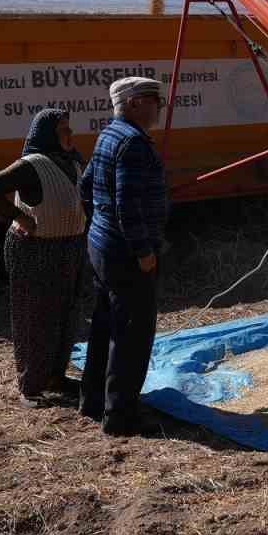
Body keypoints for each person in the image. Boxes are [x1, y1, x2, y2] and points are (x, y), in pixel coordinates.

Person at [0, 108, 89, 406]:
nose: (70, 134)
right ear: (48, 134)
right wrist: (19, 217)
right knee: (35, 318)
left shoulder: (73, 161)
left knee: (66, 315)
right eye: (63, 129)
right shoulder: (30, 166)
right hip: (35, 250)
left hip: (70, 248)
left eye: (69, 127)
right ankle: (30, 386)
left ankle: (56, 376)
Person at [78, 76, 169, 434]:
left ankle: (93, 400)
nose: (158, 107)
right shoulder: (132, 143)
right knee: (132, 334)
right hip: (126, 254)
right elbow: (127, 206)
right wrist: (143, 251)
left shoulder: (108, 135)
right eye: (152, 100)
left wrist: (99, 225)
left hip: (102, 246)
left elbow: (86, 187)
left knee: (104, 326)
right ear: (132, 103)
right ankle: (121, 416)